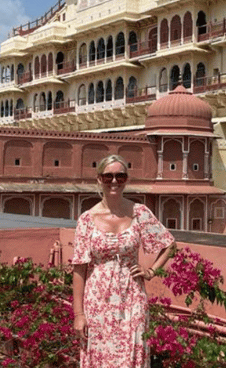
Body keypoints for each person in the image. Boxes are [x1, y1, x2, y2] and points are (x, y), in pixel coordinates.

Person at [72, 154, 177, 367]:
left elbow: (169, 244)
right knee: (100, 357)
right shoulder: (87, 220)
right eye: (108, 176)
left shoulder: (139, 213)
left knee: (133, 353)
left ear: (126, 180)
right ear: (99, 179)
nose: (114, 181)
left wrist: (151, 271)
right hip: (98, 300)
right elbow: (79, 268)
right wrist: (78, 314)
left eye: (120, 176)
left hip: (132, 298)